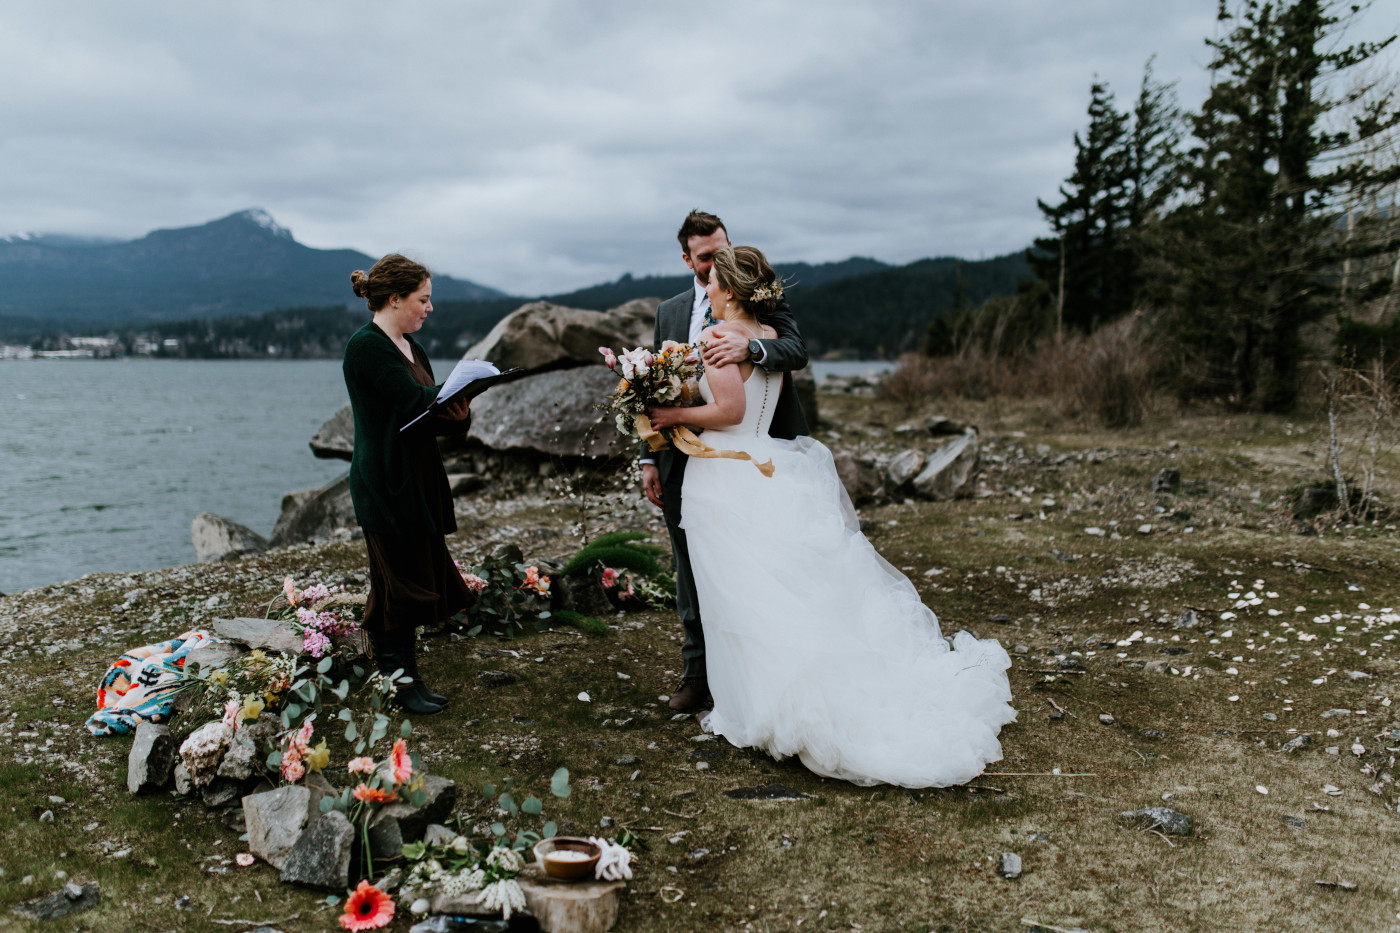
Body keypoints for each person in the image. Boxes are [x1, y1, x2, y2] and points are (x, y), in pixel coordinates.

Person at [648, 246, 1015, 787]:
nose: (707, 283)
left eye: (713, 278)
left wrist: (672, 412)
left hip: (727, 475)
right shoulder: (767, 336)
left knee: (741, 596)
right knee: (778, 590)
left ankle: (769, 706)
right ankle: (780, 691)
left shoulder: (717, 337)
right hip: (767, 465)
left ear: (726, 289)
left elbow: (730, 411)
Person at [640, 211, 810, 713]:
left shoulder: (763, 307)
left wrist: (752, 346)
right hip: (678, 458)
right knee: (690, 569)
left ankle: (748, 678)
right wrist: (648, 456)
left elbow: (795, 350)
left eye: (722, 251)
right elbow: (648, 386)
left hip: (740, 454)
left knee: (749, 569)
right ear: (688, 259)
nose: (716, 262)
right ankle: (700, 674)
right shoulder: (670, 312)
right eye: (706, 257)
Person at [343, 253, 473, 716]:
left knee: (398, 583)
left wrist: (459, 411)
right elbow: (410, 402)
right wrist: (457, 391)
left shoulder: (410, 346)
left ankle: (408, 679)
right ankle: (400, 685)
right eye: (423, 299)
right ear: (395, 299)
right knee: (397, 587)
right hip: (385, 481)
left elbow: (426, 414)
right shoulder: (367, 346)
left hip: (415, 477)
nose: (429, 308)